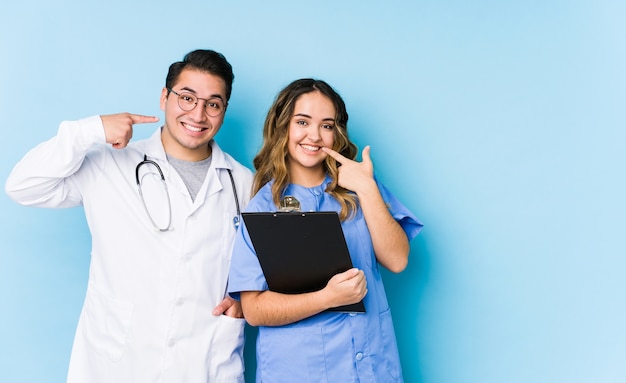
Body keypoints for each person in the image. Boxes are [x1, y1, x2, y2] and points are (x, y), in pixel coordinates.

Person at [5, 49, 253, 383]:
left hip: (205, 365)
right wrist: (88, 131)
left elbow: (262, 265)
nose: (198, 113)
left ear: (223, 111)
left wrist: (244, 302)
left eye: (213, 103)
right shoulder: (110, 163)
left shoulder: (243, 184)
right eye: (187, 97)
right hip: (119, 364)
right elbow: (23, 186)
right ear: (164, 97)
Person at [227, 78, 423, 382]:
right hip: (300, 369)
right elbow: (254, 310)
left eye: (327, 125)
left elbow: (397, 260)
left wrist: (368, 189)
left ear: (337, 132)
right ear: (283, 127)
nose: (315, 136)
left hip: (372, 365)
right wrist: (327, 298)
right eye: (302, 121)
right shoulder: (261, 209)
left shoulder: (360, 188)